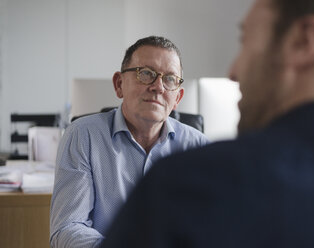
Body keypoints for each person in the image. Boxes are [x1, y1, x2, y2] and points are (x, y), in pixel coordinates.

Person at [102, 0, 314, 247]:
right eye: (146, 74)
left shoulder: (189, 188)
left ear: (303, 41)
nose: (233, 72)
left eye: (245, 40)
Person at [50, 36, 209, 248]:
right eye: (146, 74)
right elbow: (67, 229)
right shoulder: (82, 136)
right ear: (119, 84)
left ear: (177, 98)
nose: (158, 87)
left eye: (169, 79)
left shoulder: (198, 147)